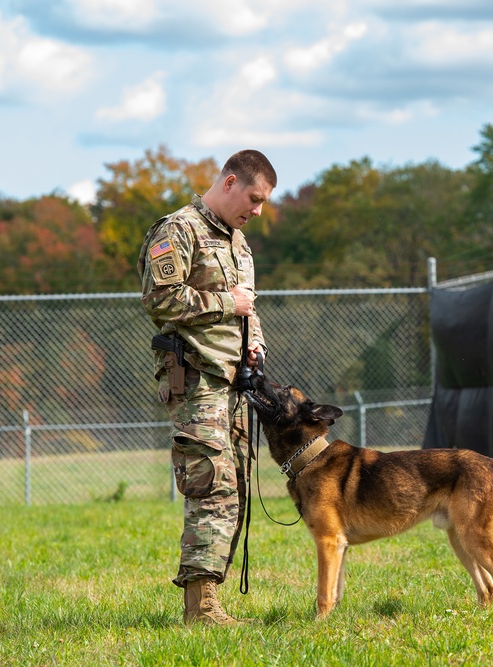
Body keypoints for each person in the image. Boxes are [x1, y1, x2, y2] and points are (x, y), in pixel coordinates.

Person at [137, 149, 276, 626]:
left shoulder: (237, 243)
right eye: (254, 198)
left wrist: (254, 345)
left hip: (234, 381)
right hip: (196, 379)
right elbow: (161, 301)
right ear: (230, 181)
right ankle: (201, 609)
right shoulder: (178, 230)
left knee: (234, 485)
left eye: (262, 203)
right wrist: (226, 302)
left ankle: (211, 598)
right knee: (211, 486)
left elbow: (249, 308)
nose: (257, 211)